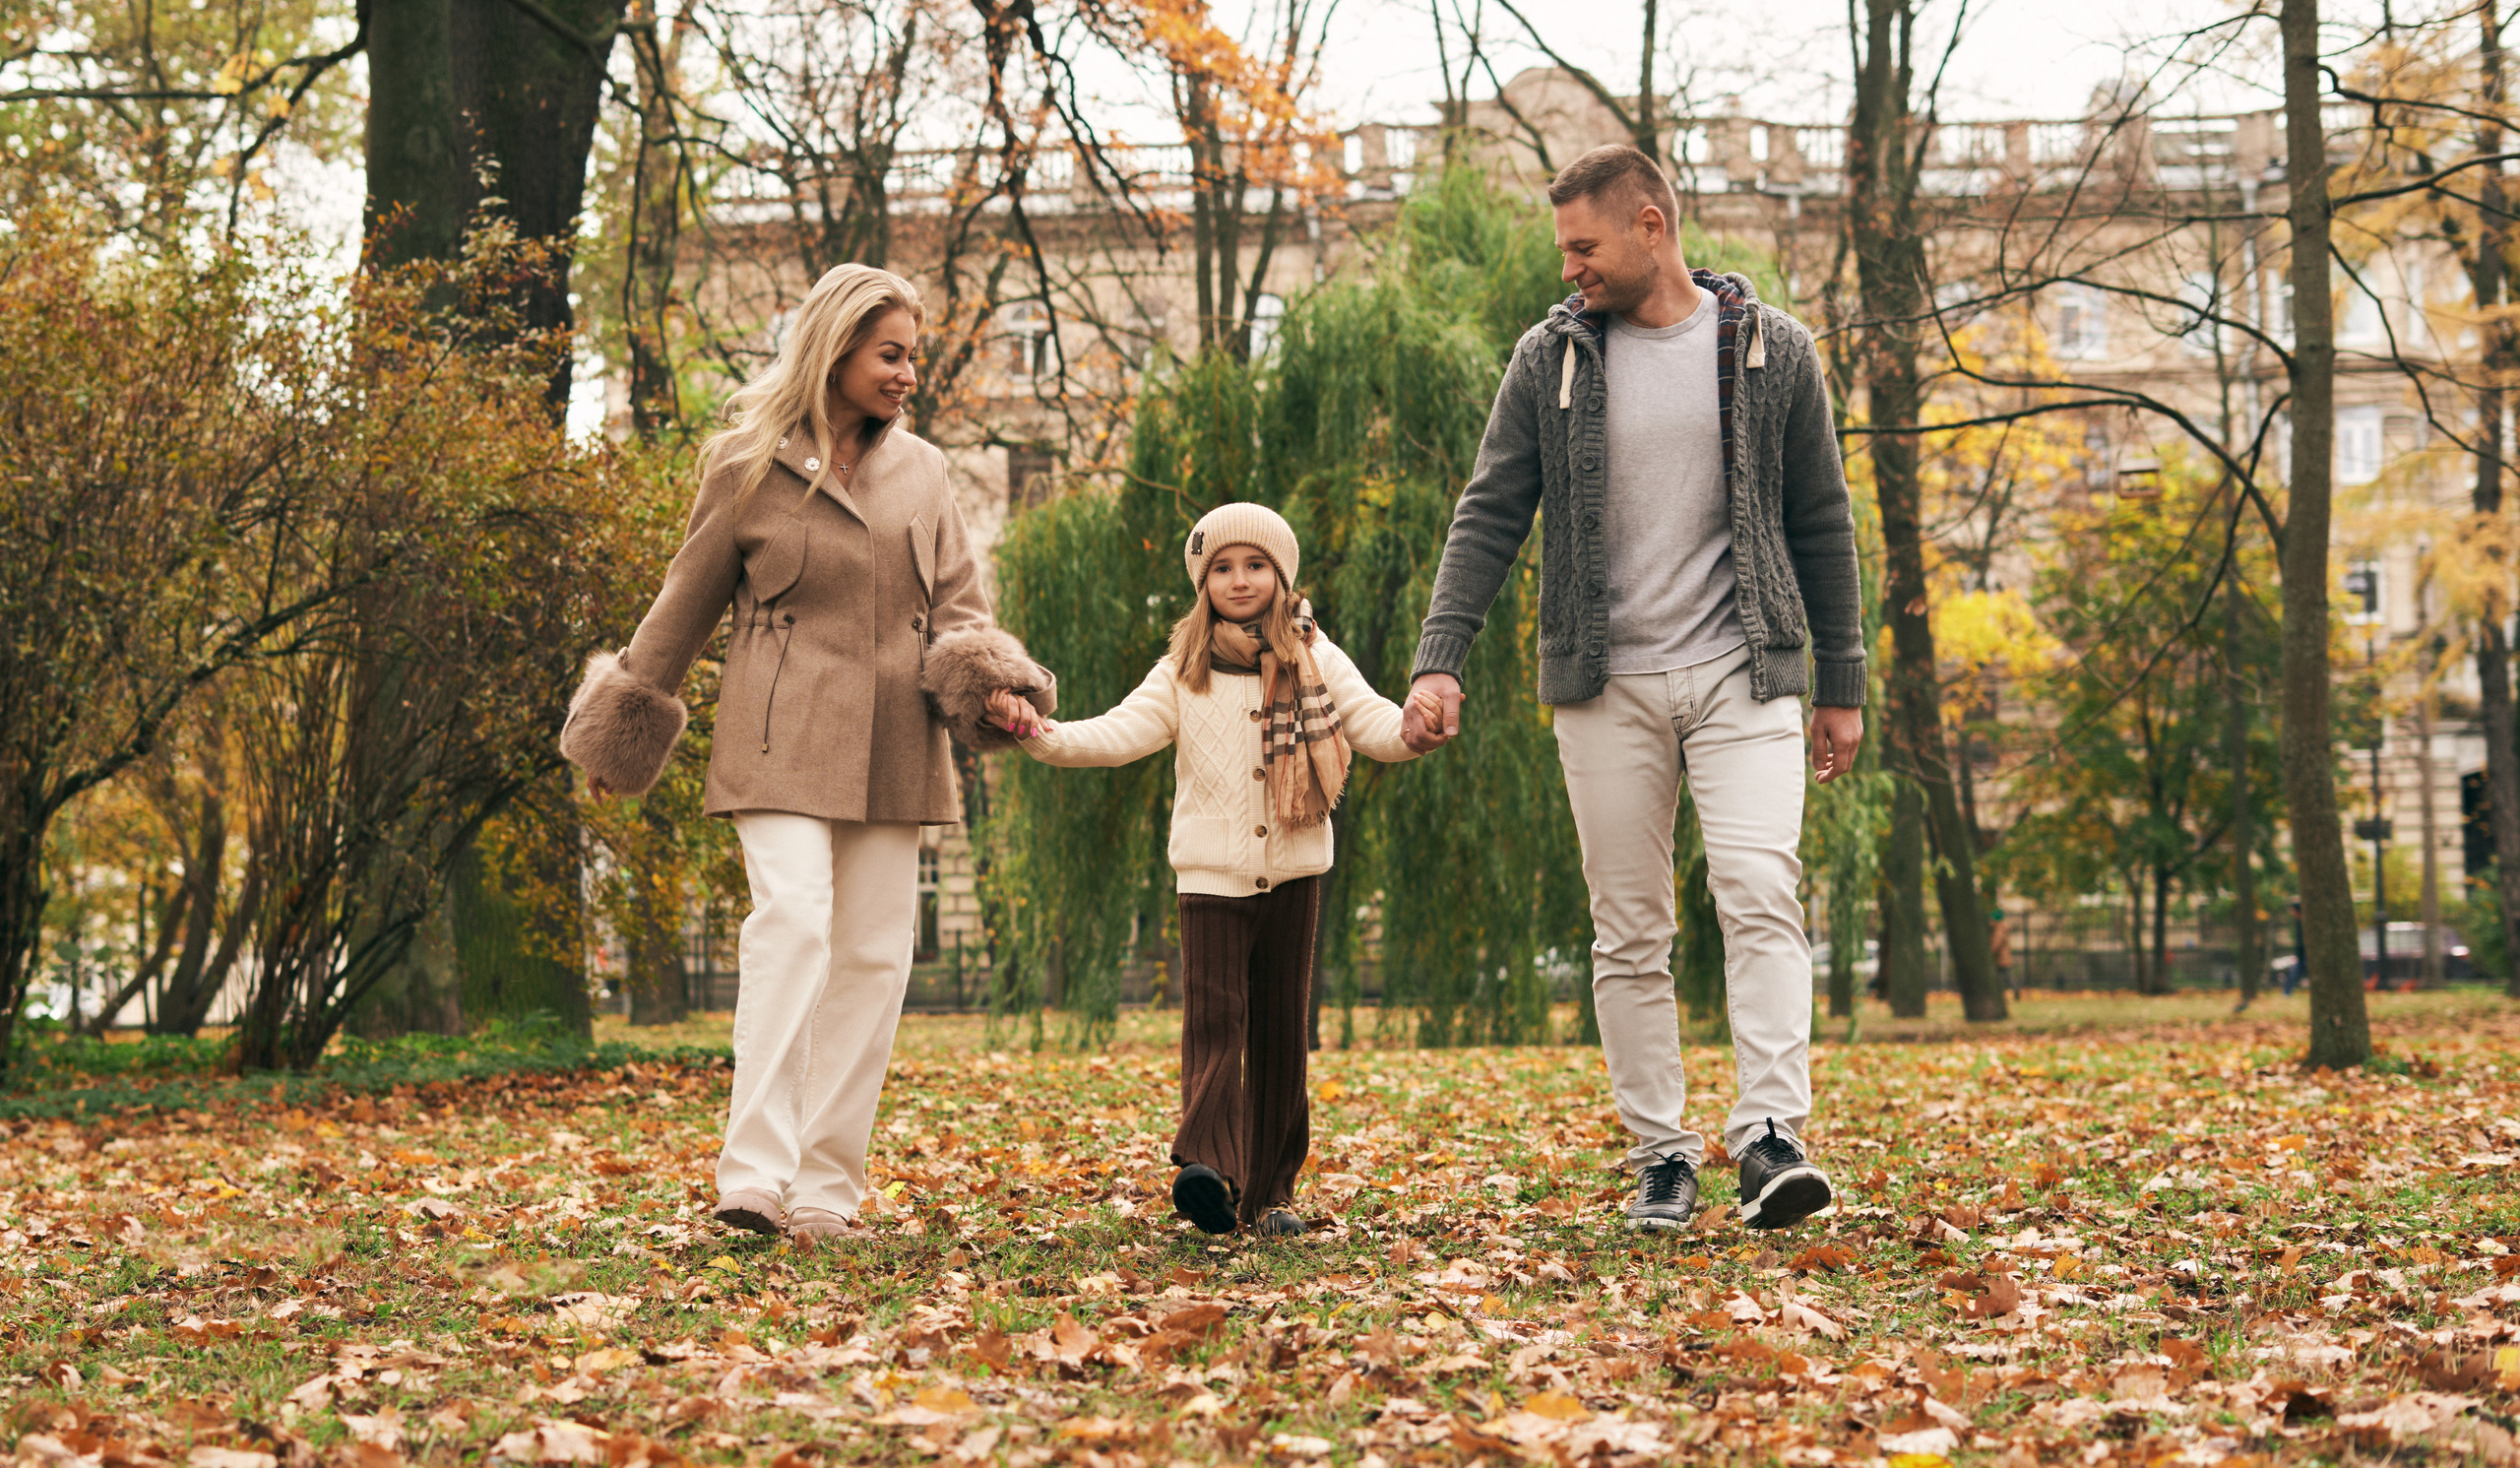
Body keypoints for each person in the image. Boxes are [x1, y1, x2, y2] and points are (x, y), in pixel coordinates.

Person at [1401, 145, 1866, 1234]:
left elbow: (1822, 522)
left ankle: (1769, 1139)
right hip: (1602, 680)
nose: (1569, 269)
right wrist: (1440, 656)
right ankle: (1661, 1152)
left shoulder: (1772, 351)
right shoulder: (1548, 359)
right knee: (1628, 929)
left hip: (1742, 668)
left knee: (1759, 890)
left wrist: (1839, 680)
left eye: (1583, 246)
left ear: (1650, 225)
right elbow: (1488, 512)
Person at [558, 263, 1052, 1249]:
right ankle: (752, 1178)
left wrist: (993, 683)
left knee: (873, 956)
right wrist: (623, 731)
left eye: (914, 355)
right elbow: (684, 600)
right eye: (892, 354)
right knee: (791, 925)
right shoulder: (745, 463)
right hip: (775, 736)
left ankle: (827, 1192)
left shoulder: (924, 474)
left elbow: (959, 606)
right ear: (836, 349)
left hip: (893, 745)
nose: (910, 373)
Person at [1018, 504, 1419, 1236]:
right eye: (1224, 568)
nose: (1241, 580)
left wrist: (1415, 730)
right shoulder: (1182, 672)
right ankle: (1207, 1168)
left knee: (1278, 1033)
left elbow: (1374, 721)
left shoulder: (1317, 658)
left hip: (1296, 871)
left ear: (1281, 575)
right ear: (1204, 582)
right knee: (1215, 1022)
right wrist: (1041, 736)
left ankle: (1271, 1195)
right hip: (1211, 876)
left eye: (1256, 565)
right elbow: (1115, 732)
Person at [1988, 908, 2017, 1001]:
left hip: (2001, 957)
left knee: (2006, 977)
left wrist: (1990, 951)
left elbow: (1997, 942)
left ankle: (2015, 992)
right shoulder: (1999, 928)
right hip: (2001, 957)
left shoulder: (1999, 929)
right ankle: (2013, 992)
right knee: (2004, 977)